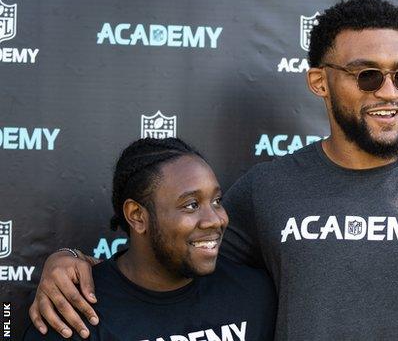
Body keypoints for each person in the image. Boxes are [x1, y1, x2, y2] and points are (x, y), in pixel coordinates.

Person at [29, 0, 398, 340]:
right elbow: (176, 256)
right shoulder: (266, 189)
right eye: (367, 74)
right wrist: (71, 259)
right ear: (319, 83)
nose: (390, 91)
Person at [24, 138, 276, 340]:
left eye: (217, 201)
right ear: (137, 216)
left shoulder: (254, 295)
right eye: (191, 205)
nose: (215, 219)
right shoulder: (74, 312)